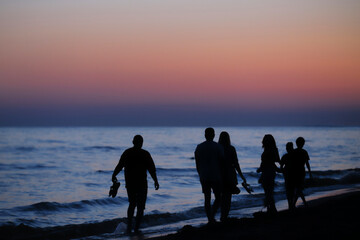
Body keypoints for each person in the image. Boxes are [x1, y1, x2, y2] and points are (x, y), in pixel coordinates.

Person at [112, 135, 159, 233]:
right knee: (140, 207)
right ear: (141, 143)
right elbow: (152, 169)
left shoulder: (127, 153)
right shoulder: (145, 154)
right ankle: (136, 228)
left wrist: (114, 175)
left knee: (132, 204)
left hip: (130, 184)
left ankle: (129, 227)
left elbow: (119, 165)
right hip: (141, 184)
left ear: (133, 142)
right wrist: (155, 181)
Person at [195, 127, 224, 223]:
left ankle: (209, 218)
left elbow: (197, 163)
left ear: (205, 135)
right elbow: (222, 161)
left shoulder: (199, 147)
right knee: (218, 198)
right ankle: (212, 215)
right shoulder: (218, 146)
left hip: (204, 175)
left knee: (207, 198)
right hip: (216, 175)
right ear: (214, 135)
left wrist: (200, 173)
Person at [218, 131, 248, 222]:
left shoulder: (218, 148)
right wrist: (242, 176)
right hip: (230, 174)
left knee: (222, 196)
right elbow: (236, 164)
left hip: (220, 175)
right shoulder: (231, 149)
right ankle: (225, 216)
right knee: (228, 197)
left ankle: (222, 216)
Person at [257, 134, 281, 214]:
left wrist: (260, 169)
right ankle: (271, 209)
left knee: (268, 192)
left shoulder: (267, 151)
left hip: (266, 172)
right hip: (271, 172)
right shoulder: (274, 149)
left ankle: (271, 209)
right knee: (269, 191)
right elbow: (277, 160)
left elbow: (265, 163)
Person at [292, 137, 312, 208]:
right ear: (303, 144)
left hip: (294, 172)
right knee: (299, 188)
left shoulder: (293, 152)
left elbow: (291, 163)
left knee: (298, 188)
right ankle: (302, 203)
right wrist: (310, 173)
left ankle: (295, 203)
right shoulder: (304, 152)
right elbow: (307, 163)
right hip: (301, 172)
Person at [280, 142, 295, 210]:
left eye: (287, 147)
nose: (287, 149)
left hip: (288, 174)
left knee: (289, 190)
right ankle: (291, 204)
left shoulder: (285, 156)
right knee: (291, 190)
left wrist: (283, 170)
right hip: (291, 174)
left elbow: (281, 167)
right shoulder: (295, 156)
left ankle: (290, 204)